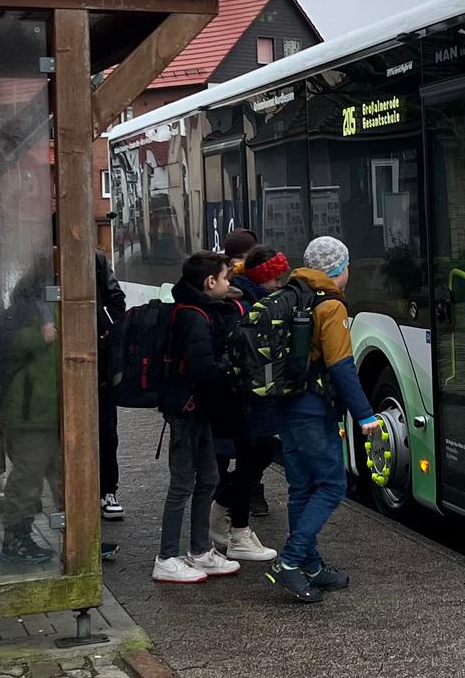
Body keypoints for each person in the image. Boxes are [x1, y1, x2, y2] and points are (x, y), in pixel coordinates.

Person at [266, 235, 383, 603]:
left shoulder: (294, 291)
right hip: (313, 408)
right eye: (346, 265)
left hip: (286, 402)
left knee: (302, 486)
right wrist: (365, 415)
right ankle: (290, 561)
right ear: (338, 269)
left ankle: (311, 565)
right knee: (332, 485)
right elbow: (341, 365)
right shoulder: (331, 306)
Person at [152, 251, 244, 584]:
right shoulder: (193, 316)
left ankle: (200, 550)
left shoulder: (200, 310)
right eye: (225, 277)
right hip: (186, 409)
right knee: (182, 483)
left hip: (199, 409)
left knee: (208, 478)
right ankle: (166, 557)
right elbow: (203, 371)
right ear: (210, 282)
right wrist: (231, 366)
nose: (229, 282)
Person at [207, 245, 291, 561]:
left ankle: (226, 516)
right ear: (264, 277)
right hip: (245, 396)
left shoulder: (250, 297)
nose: (280, 285)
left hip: (252, 393)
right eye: (276, 279)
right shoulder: (243, 303)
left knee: (257, 455)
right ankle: (237, 529)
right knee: (251, 457)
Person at [0, 259, 62, 566]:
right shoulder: (24, 310)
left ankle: (79, 540)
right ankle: (16, 540)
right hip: (31, 411)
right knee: (28, 476)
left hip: (58, 408)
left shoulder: (58, 303)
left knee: (65, 476)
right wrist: (39, 337)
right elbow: (2, 343)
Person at [96, 250, 128, 528]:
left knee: (107, 431)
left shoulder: (95, 259)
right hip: (58, 362)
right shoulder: (39, 259)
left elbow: (117, 299)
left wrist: (109, 330)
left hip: (100, 361)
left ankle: (108, 490)